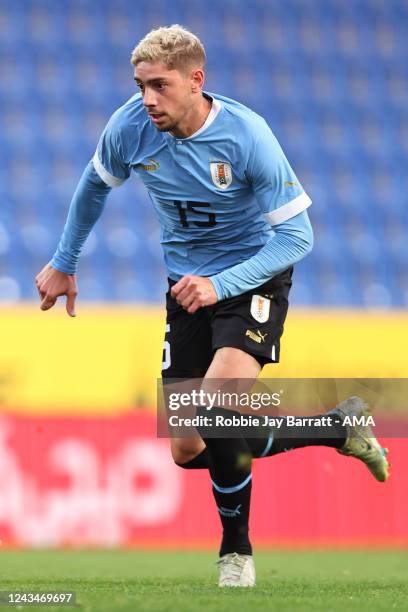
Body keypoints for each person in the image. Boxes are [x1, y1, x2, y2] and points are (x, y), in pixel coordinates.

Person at [35, 25, 389, 588]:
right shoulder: (130, 126)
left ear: (196, 81)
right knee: (187, 444)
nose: (148, 98)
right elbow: (94, 184)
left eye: (160, 85)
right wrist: (64, 259)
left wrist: (222, 286)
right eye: (140, 85)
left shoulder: (248, 137)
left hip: (253, 278)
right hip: (185, 289)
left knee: (216, 405)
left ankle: (236, 555)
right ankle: (337, 427)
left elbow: (297, 239)